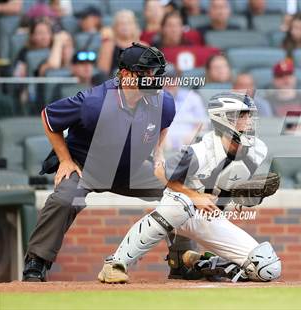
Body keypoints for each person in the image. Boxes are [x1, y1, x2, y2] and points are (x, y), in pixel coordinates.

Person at [22, 43, 195, 281]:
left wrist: (159, 155)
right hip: (85, 167)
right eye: (145, 72)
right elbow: (49, 117)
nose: (152, 78)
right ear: (125, 74)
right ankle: (36, 263)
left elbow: (163, 126)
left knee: (180, 193)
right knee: (63, 199)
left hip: (131, 169)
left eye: (155, 72)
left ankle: (182, 259)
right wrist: (64, 160)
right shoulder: (93, 102)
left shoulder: (163, 101)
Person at [97, 91, 282, 284]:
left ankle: (200, 263)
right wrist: (194, 196)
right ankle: (116, 264)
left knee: (267, 267)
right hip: (177, 208)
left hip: (208, 216)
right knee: (182, 205)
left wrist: (243, 200)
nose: (248, 121)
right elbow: (162, 174)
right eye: (241, 115)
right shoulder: (200, 151)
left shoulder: (257, 151)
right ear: (223, 119)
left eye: (249, 115)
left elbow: (220, 205)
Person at [163, 67, 208, 150]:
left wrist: (193, 136)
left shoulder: (192, 97)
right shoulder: (152, 99)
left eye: (172, 79)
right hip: (161, 146)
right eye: (165, 79)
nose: (168, 82)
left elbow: (203, 123)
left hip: (190, 145)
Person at [97, 10, 142, 75]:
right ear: (115, 27)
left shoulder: (143, 46)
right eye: (121, 24)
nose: (125, 27)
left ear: (134, 26)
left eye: (128, 23)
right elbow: (103, 73)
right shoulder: (108, 45)